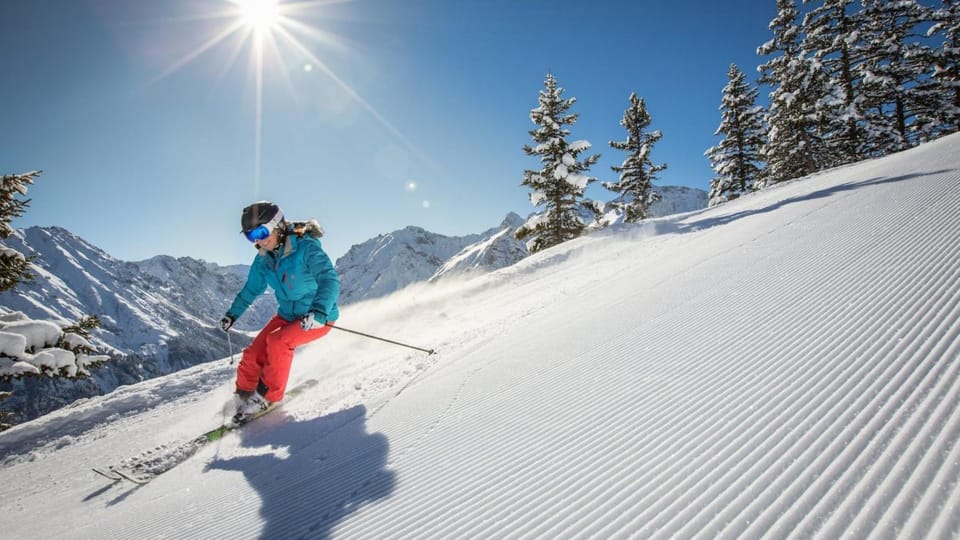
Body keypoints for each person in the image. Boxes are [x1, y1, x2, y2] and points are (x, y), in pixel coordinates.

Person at [219, 201, 340, 422]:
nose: (258, 241)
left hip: (317, 316)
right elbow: (251, 290)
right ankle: (244, 395)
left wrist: (320, 312)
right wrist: (232, 314)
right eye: (250, 236)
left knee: (278, 342)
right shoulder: (264, 258)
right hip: (287, 315)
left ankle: (268, 397)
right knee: (253, 353)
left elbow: (329, 279)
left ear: (278, 226)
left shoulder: (306, 248)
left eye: (261, 232)